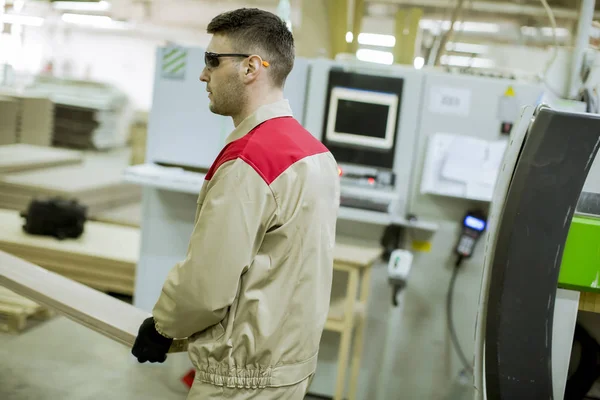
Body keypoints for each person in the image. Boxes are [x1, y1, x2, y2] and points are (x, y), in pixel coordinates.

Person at [131, 7, 341, 400]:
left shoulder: (251, 161)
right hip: (288, 372)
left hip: (240, 383)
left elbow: (207, 286)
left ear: (251, 68)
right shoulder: (316, 155)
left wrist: (163, 326)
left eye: (213, 60)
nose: (203, 74)